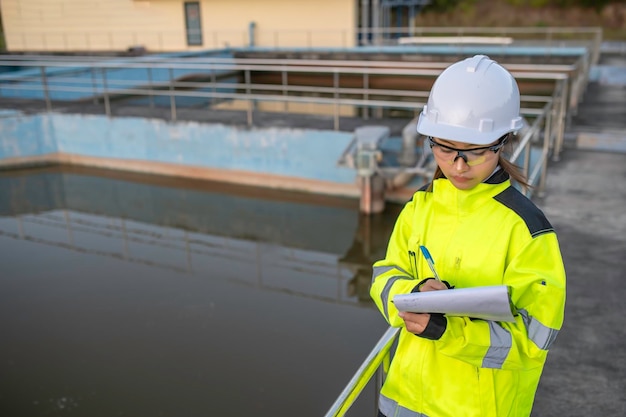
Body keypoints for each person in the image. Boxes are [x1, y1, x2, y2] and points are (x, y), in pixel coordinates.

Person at [369, 55, 566, 417]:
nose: (459, 165)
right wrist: (411, 294)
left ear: (503, 142)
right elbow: (384, 275)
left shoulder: (527, 231)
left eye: (474, 152)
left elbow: (534, 342)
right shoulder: (420, 208)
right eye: (444, 148)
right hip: (402, 401)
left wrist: (447, 330)